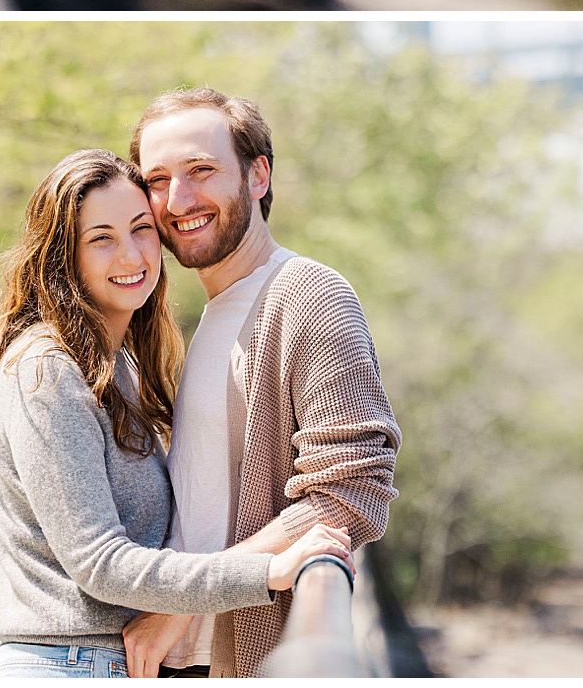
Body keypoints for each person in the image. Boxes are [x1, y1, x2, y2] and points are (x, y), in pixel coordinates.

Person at [0, 149, 354, 680]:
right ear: (60, 256)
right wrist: (267, 571)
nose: (131, 255)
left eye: (141, 229)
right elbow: (98, 562)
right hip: (65, 666)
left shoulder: (118, 368)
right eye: (101, 238)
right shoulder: (46, 372)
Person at [123, 87, 401, 677]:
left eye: (202, 170)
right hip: (168, 663)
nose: (178, 199)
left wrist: (187, 601)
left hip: (246, 660)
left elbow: (350, 493)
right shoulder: (205, 315)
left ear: (258, 175)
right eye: (157, 179)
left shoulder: (310, 298)